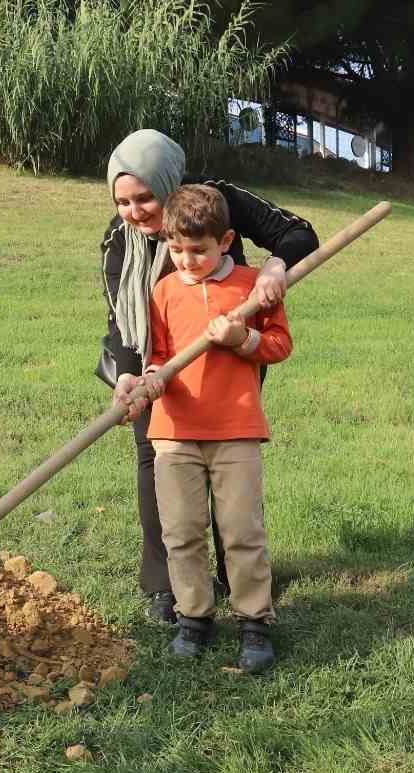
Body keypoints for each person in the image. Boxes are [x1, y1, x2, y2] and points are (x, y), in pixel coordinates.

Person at [98, 129, 317, 626]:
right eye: (123, 201)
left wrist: (274, 269)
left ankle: (238, 577)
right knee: (156, 462)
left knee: (225, 467)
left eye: (145, 197)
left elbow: (298, 232)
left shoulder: (215, 202)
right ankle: (166, 585)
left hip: (228, 361)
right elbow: (120, 319)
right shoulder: (118, 238)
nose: (134, 212)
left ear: (167, 181)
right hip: (158, 366)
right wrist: (129, 379)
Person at [119, 184, 291, 669]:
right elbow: (157, 355)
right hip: (173, 432)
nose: (187, 260)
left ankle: (254, 621)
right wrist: (152, 377)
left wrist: (243, 337)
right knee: (182, 530)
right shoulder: (164, 291)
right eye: (176, 250)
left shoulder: (252, 288)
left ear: (226, 239)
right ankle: (194, 615)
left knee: (241, 530)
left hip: (236, 428)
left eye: (199, 250)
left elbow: (279, 345)